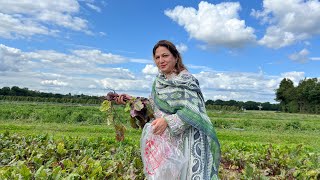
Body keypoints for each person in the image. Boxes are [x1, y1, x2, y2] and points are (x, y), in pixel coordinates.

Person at [117, 40, 220, 179]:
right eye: (157, 57)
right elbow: (153, 108)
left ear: (175, 57)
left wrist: (167, 121)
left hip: (187, 140)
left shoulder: (187, 81)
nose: (161, 60)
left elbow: (194, 110)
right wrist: (133, 102)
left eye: (165, 56)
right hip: (165, 142)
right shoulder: (158, 82)